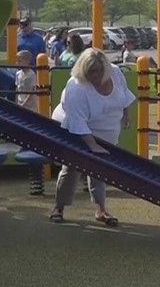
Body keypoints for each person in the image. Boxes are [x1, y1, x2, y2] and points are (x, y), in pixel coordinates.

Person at [49, 49, 135, 226]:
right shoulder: (77, 87)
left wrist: (126, 115)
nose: (93, 75)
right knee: (72, 167)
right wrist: (91, 144)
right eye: (89, 72)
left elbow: (123, 95)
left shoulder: (115, 73)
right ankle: (59, 207)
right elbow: (77, 121)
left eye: (97, 71)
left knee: (99, 169)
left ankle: (101, 209)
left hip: (106, 128)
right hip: (74, 127)